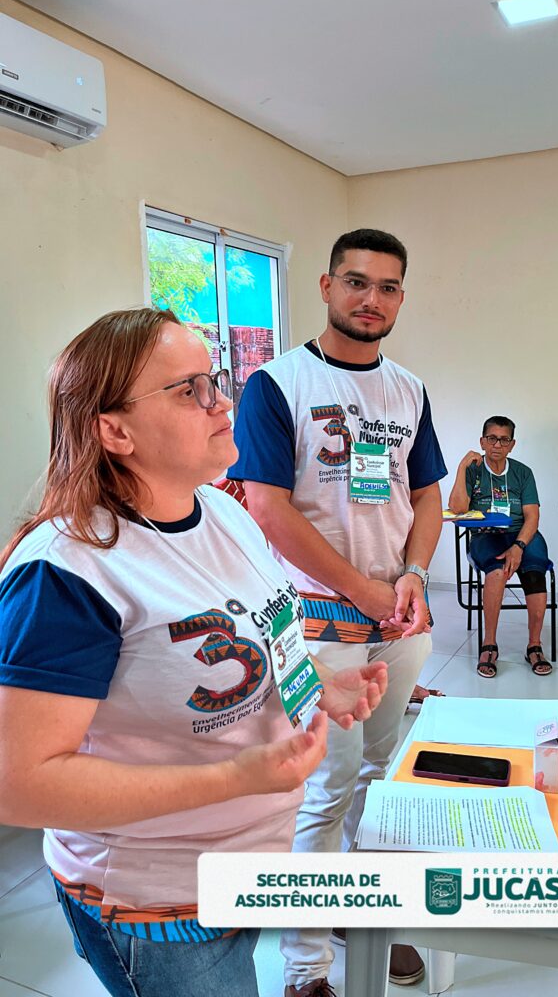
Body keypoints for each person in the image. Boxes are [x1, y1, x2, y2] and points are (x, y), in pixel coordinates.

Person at [0, 308, 388, 997]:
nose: (223, 403)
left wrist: (321, 680)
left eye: (215, 380)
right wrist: (235, 777)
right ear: (115, 431)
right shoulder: (66, 574)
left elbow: (256, 636)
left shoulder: (224, 513)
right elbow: (18, 784)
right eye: (190, 390)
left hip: (249, 861)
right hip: (156, 903)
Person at [229, 228, 447, 996]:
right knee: (325, 788)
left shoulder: (409, 389)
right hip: (317, 624)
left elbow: (427, 494)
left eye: (387, 287)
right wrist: (365, 590)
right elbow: (266, 507)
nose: (371, 299)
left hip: (398, 621)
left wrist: (414, 575)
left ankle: (361, 910)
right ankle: (305, 968)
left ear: (401, 298)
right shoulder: (276, 384)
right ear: (326, 287)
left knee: (382, 778)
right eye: (356, 282)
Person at [448, 416, 552, 677]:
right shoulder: (473, 470)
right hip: (485, 534)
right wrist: (461, 467)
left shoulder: (523, 473)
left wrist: (518, 546)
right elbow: (458, 508)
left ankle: (534, 645)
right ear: (482, 441)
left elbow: (532, 517)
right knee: (496, 572)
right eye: (492, 438)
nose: (497, 445)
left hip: (521, 533)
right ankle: (489, 645)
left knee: (535, 572)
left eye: (504, 440)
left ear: (512, 445)